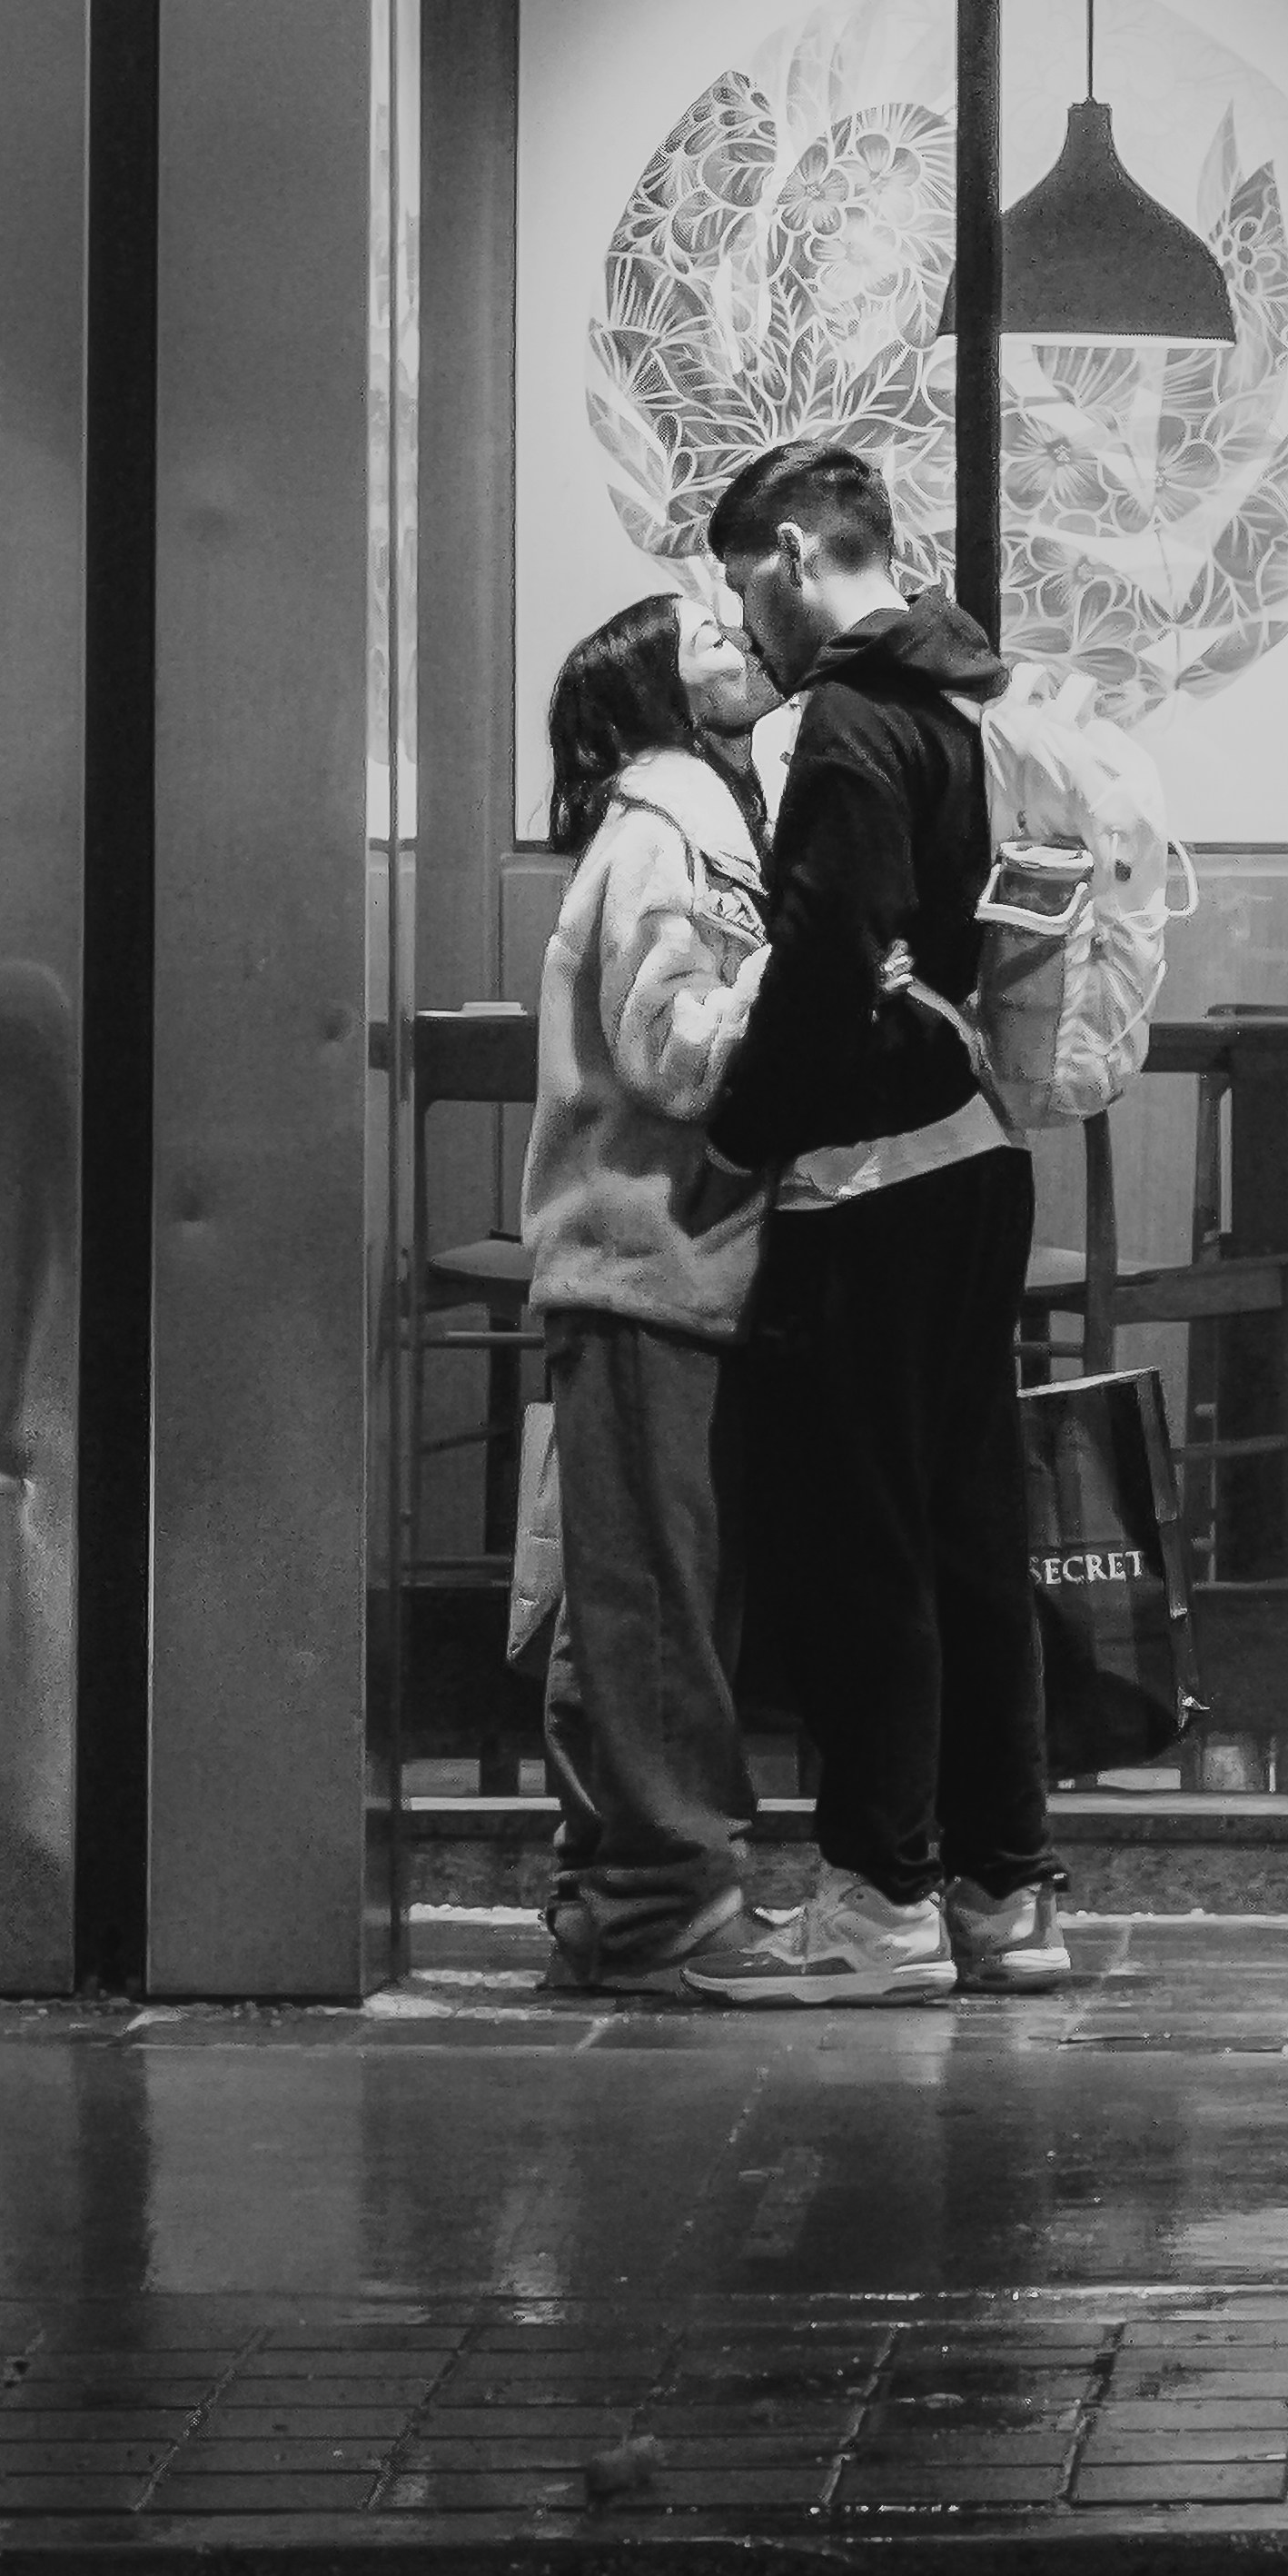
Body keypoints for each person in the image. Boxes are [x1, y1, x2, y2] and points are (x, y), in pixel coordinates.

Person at [682, 433, 1075, 2007]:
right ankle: (1001, 1888)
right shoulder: (964, 698)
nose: (742, 625)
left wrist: (745, 1126)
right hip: (977, 1149)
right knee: (974, 1534)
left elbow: (830, 955)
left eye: (737, 586)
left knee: (863, 1547)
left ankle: (878, 1905)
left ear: (789, 552)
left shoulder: (847, 721)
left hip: (871, 1173)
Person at [517, 588, 785, 2000]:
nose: (743, 642)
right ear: (661, 697)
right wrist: (807, 970)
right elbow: (677, 1055)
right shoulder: (672, 825)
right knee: (657, 1601)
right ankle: (671, 1900)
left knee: (625, 1591)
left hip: (650, 1262)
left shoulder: (681, 815)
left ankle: (619, 1894)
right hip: (648, 1254)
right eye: (710, 639)